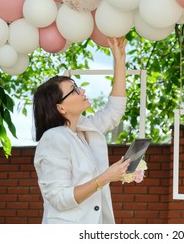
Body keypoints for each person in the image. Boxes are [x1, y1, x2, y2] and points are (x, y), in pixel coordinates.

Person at [33, 36, 130, 224]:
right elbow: (60, 198)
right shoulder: (53, 139)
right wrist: (106, 177)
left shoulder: (85, 129)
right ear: (61, 108)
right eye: (74, 90)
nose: (82, 91)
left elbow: (114, 111)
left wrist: (119, 61)